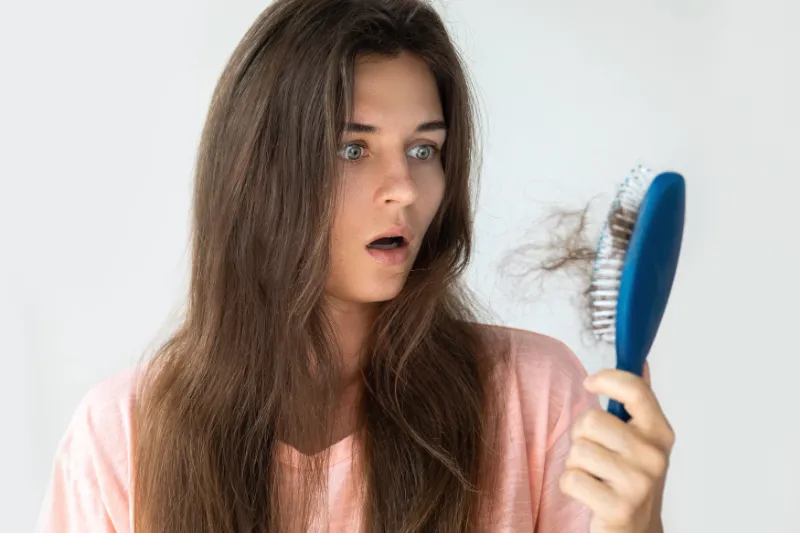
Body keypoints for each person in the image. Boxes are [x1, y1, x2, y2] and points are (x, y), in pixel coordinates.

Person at [37, 0, 675, 531]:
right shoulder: (124, 436)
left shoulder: (531, 398)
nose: (404, 187)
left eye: (424, 148)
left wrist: (638, 527)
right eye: (352, 148)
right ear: (257, 175)